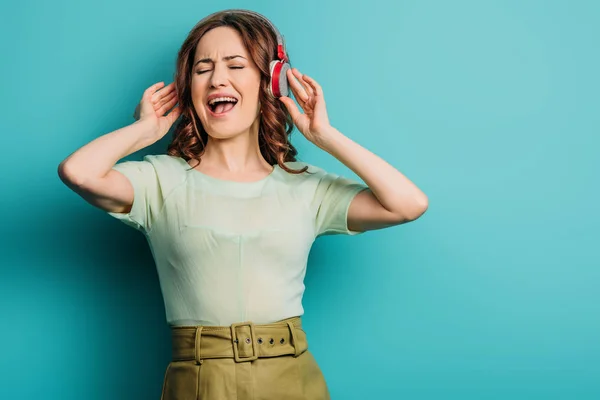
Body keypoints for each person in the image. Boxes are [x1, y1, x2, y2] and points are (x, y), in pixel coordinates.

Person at [58, 8, 428, 400]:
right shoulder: (159, 180)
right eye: (203, 69)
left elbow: (407, 204)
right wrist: (145, 130)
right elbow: (78, 172)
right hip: (199, 380)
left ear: (271, 81)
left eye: (236, 65)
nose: (218, 78)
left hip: (291, 376)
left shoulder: (306, 186)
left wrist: (326, 136)